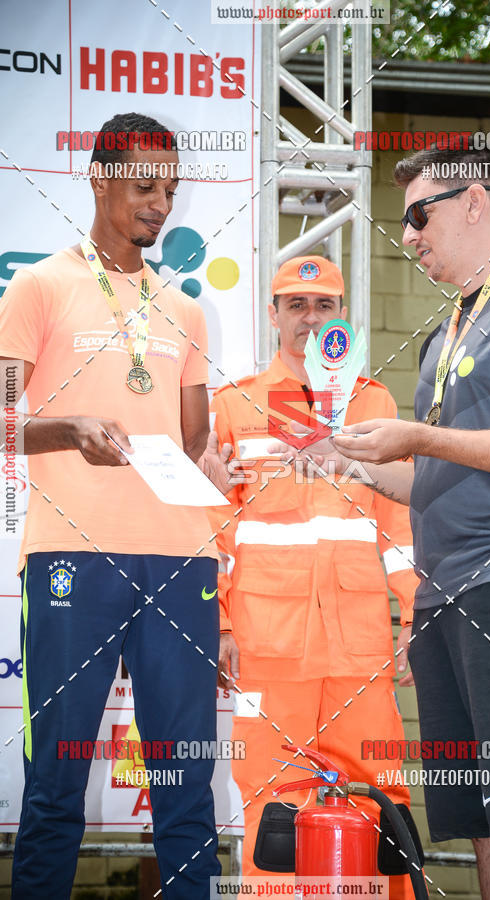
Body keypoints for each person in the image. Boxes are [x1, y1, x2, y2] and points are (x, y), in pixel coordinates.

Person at [299, 148, 490, 899]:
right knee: (487, 822)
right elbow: (429, 475)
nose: (409, 235)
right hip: (444, 600)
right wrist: (353, 461)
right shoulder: (445, 334)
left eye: (419, 215)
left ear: (475, 203)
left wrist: (421, 436)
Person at [0, 112, 233, 899]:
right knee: (56, 788)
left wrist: (218, 465)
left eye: (170, 189)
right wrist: (68, 427)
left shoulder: (187, 309)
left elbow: (196, 440)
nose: (160, 203)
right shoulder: (38, 286)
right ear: (99, 179)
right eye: (145, 185)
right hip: (72, 557)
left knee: (185, 791)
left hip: (181, 562)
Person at [210, 256, 419, 898]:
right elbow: (213, 530)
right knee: (273, 805)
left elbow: (400, 528)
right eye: (295, 304)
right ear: (272, 314)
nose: (309, 317)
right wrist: (215, 622)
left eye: (323, 304)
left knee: (380, 798)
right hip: (267, 648)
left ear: (341, 316)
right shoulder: (234, 404)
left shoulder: (373, 403)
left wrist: (416, 615)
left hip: (360, 647)